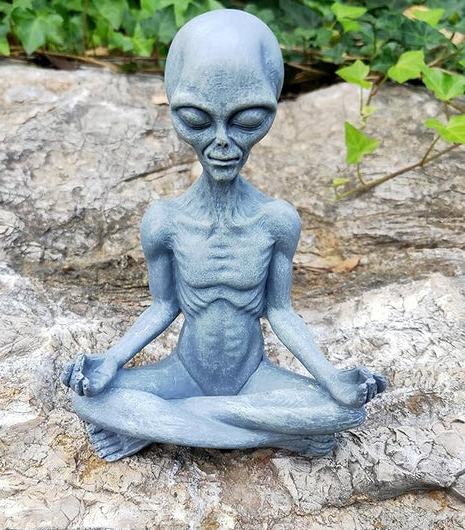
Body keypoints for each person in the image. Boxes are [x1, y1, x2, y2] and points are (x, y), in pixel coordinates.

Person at [62, 9, 386, 462]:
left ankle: (169, 424)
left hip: (254, 376)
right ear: (175, 111)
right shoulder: (164, 221)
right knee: (88, 399)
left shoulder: (276, 219)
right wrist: (111, 362)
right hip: (182, 373)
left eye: (246, 120)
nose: (221, 142)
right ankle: (270, 430)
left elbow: (281, 311)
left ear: (270, 112)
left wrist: (331, 378)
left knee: (343, 411)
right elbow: (163, 306)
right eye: (197, 120)